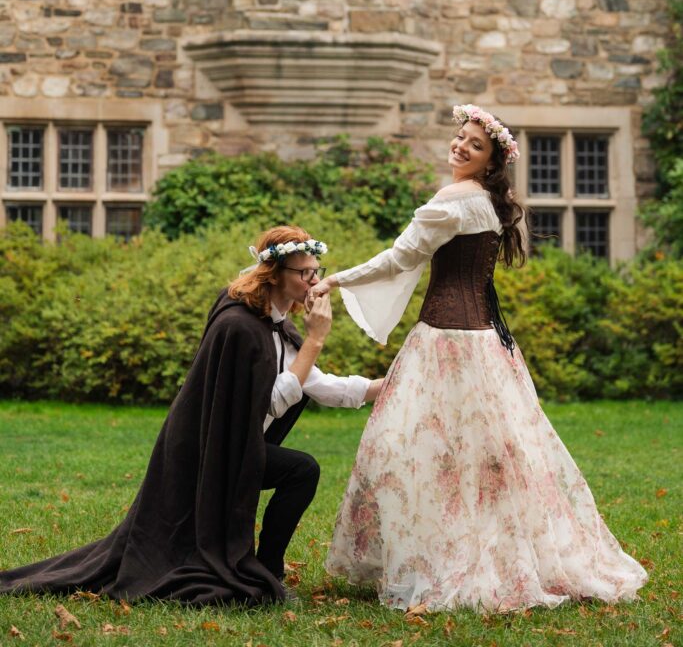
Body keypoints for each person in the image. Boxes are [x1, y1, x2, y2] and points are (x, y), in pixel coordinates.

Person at [310, 105, 648, 613]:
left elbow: (400, 259)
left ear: (491, 161)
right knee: (490, 457)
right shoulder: (489, 204)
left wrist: (336, 279)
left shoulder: (454, 200)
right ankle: (476, 548)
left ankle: (439, 561)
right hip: (484, 343)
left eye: (475, 144)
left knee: (412, 451)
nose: (461, 146)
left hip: (446, 342)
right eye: (461, 137)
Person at [0, 225, 382, 607]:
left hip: (236, 446)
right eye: (305, 273)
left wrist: (392, 382)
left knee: (300, 470)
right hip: (205, 454)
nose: (316, 281)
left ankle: (267, 570)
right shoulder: (241, 326)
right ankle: (266, 572)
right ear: (274, 274)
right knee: (302, 469)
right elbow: (273, 403)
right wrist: (316, 340)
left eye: (316, 270)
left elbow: (317, 383)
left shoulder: (277, 325)